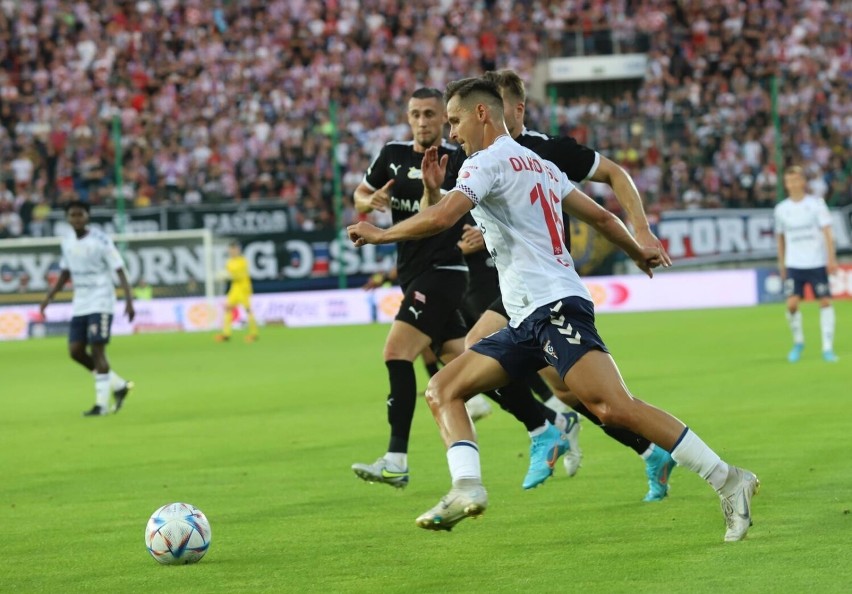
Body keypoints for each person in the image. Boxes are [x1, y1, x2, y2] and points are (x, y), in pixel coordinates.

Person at [347, 77, 759, 542]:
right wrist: (635, 249)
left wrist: (381, 235)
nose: (453, 133)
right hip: (526, 318)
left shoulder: (484, 163)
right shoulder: (537, 164)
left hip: (553, 306)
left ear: (482, 114)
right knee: (443, 388)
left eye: (456, 121)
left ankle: (729, 479)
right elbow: (602, 217)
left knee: (612, 407)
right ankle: (467, 488)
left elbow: (442, 219)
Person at [425, 69, 677, 502]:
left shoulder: (546, 151)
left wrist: (642, 232)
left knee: (500, 359)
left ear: (513, 109)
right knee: (569, 389)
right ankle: (629, 446)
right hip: (504, 278)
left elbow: (615, 176)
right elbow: (445, 215)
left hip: (543, 282)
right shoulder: (476, 157)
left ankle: (548, 428)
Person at [40, 200, 135, 417]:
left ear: (87, 216)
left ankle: (100, 405)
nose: (76, 219)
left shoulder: (101, 240)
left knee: (97, 349)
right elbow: (65, 273)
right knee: (75, 351)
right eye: (72, 215)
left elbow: (119, 269)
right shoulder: (67, 242)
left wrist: (129, 300)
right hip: (81, 302)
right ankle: (118, 385)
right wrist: (49, 297)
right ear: (67, 218)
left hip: (101, 299)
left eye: (80, 214)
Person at [774, 165, 838, 363]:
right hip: (794, 263)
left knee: (825, 302)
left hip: (817, 262)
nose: (792, 184)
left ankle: (827, 348)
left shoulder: (816, 204)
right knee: (792, 304)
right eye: (789, 181)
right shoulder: (781, 209)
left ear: (803, 182)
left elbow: (827, 233)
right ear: (786, 184)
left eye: (796, 180)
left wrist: (831, 259)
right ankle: (798, 342)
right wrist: (782, 264)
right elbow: (780, 239)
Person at [215, 241, 259, 343]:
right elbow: (229, 274)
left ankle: (254, 333)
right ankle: (226, 334)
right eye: (231, 250)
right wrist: (224, 276)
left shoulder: (243, 261)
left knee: (248, 310)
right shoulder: (229, 262)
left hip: (244, 288)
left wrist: (227, 275)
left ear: (238, 250)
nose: (232, 252)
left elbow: (241, 275)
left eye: (234, 250)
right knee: (227, 308)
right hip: (234, 288)